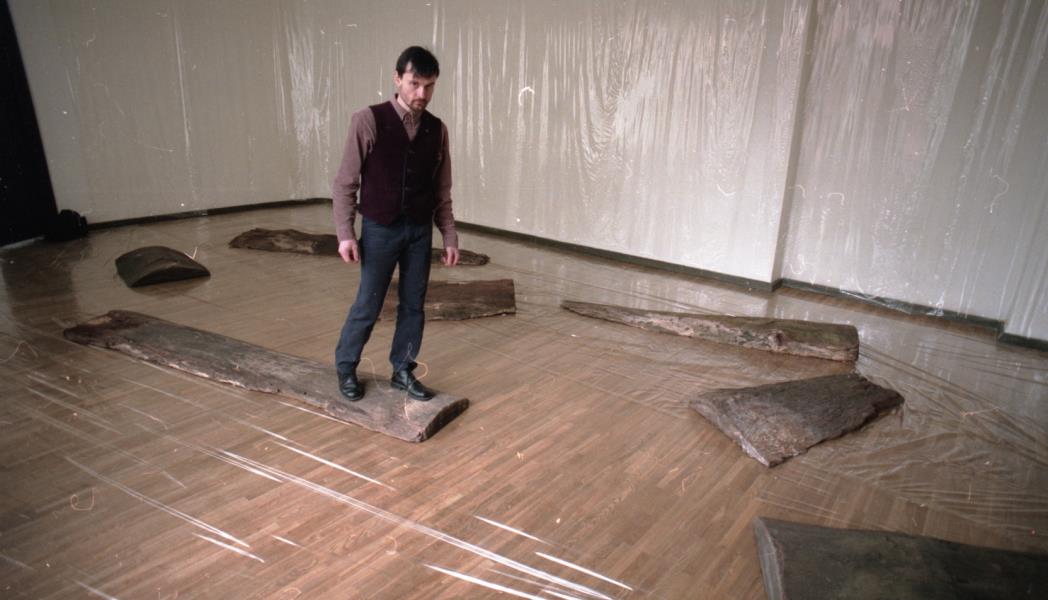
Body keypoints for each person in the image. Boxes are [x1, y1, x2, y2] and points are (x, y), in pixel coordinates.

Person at [331, 46, 459, 402]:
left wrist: (449, 235)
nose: (422, 93)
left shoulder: (437, 130)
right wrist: (345, 233)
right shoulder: (368, 120)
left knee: (413, 304)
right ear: (397, 78)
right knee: (368, 303)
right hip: (380, 229)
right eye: (414, 83)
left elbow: (442, 190)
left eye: (429, 86)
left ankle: (402, 370)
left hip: (419, 231)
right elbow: (345, 183)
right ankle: (346, 366)